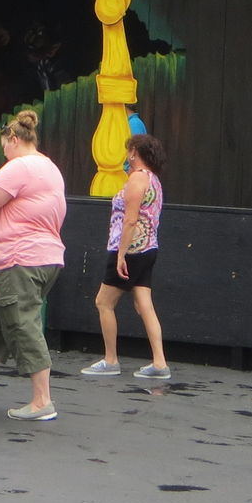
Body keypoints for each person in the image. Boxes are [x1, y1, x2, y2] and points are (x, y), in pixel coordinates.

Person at [0, 108, 67, 422]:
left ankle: (42, 400)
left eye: (4, 146)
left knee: (23, 325)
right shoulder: (49, 167)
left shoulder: (20, 166)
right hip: (46, 258)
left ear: (13, 139)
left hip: (20, 259)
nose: (4, 153)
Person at [81, 133, 170, 380]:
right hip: (148, 247)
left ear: (134, 152)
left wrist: (120, 254)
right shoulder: (154, 180)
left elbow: (130, 219)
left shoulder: (137, 178)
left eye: (128, 150)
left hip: (130, 250)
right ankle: (160, 363)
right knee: (144, 304)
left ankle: (110, 360)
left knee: (103, 302)